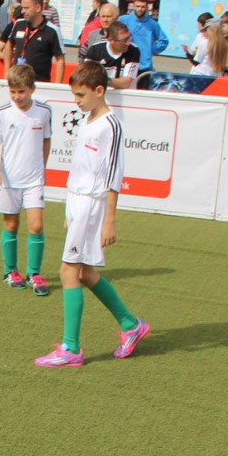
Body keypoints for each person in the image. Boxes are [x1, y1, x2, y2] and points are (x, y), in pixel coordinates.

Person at [34, 62, 149, 368]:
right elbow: (81, 165)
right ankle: (131, 325)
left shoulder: (111, 126)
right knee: (84, 273)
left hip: (92, 204)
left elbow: (113, 175)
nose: (77, 101)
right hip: (77, 201)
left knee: (67, 272)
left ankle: (71, 348)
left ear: (99, 91)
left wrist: (109, 220)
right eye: (74, 95)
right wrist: (70, 211)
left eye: (81, 95)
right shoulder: (87, 119)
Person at [0, 64, 52, 296]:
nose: (17, 96)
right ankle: (10, 271)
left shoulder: (44, 111)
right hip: (9, 180)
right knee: (11, 225)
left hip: (34, 180)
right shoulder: (2, 113)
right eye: (13, 91)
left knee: (36, 226)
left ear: (32, 89)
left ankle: (34, 273)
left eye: (21, 91)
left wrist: (42, 167)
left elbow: (46, 140)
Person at [0, 0, 65, 83]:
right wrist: (6, 71)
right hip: (16, 81)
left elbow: (60, 60)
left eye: (26, 8)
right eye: (22, 8)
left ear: (38, 8)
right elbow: (9, 44)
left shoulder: (52, 30)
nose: (22, 11)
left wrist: (57, 86)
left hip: (39, 83)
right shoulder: (19, 24)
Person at [117, 0, 167, 74]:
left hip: (144, 66)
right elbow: (114, 36)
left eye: (143, 7)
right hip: (126, 63)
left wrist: (151, 50)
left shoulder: (153, 24)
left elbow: (164, 41)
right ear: (133, 6)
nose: (140, 9)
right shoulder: (123, 20)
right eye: (138, 6)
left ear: (147, 7)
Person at [82, 22, 140, 89]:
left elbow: (126, 83)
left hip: (125, 94)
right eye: (124, 40)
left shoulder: (133, 50)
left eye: (128, 38)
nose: (128, 43)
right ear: (110, 40)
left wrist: (102, 80)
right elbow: (86, 76)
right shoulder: (95, 50)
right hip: (100, 92)